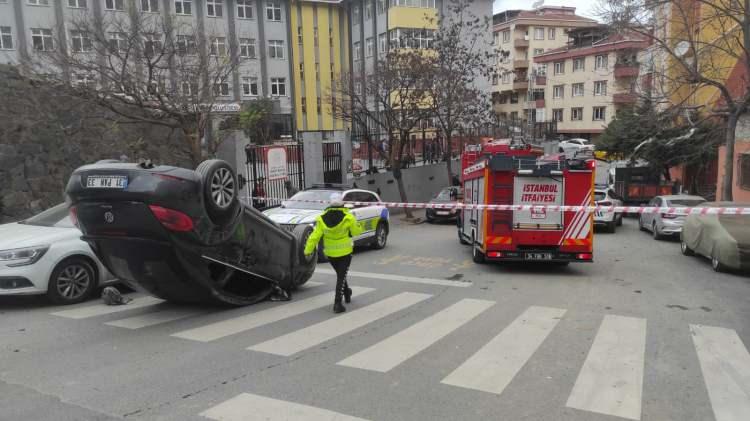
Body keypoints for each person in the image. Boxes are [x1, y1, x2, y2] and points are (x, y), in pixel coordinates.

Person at [304, 195, 363, 313]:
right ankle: (337, 304)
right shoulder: (348, 217)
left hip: (330, 254)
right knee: (341, 276)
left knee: (341, 274)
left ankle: (347, 292)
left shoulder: (321, 218)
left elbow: (314, 236)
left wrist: (307, 250)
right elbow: (356, 232)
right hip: (345, 252)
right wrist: (358, 224)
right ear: (342, 204)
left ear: (330, 204)